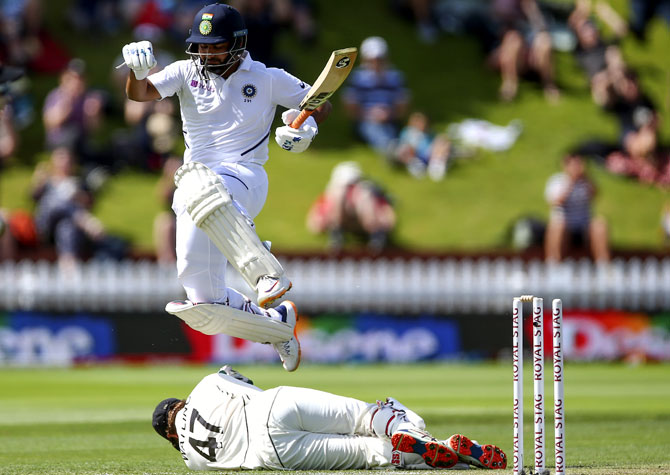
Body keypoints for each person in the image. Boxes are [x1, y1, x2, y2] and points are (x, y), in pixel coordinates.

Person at [121, 3, 331, 372]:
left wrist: (302, 127)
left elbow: (317, 103)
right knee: (201, 300)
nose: (206, 53)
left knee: (205, 183)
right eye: (201, 46)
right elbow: (141, 94)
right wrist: (138, 73)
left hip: (244, 176)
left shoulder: (267, 77)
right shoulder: (186, 71)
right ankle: (277, 328)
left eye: (215, 46)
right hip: (194, 188)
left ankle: (265, 274)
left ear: (237, 44)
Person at [152, 365, 507, 471]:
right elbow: (243, 383)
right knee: (366, 416)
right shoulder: (204, 385)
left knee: (369, 455)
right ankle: (416, 434)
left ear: (169, 438)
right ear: (179, 403)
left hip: (272, 453)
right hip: (272, 406)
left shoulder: (191, 461)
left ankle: (444, 453)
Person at [342, 36, 410, 159]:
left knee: (391, 130)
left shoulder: (395, 77)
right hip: (365, 120)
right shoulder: (357, 78)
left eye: (380, 59)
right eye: (373, 59)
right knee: (374, 129)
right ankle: (391, 151)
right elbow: (350, 107)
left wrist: (390, 114)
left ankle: (396, 151)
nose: (377, 63)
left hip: (391, 119)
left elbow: (402, 105)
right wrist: (370, 114)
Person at [306, 161, 396, 252]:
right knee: (339, 196)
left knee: (365, 197)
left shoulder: (368, 193)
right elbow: (315, 224)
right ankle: (337, 237)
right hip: (342, 223)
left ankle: (376, 239)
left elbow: (389, 218)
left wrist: (380, 226)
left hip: (367, 224)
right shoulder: (334, 195)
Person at [544, 153, 610, 263]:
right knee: (557, 226)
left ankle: (603, 263)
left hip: (584, 223)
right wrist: (570, 182)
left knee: (600, 224)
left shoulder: (586, 182)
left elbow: (595, 194)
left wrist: (586, 178)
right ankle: (554, 262)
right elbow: (556, 202)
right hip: (565, 223)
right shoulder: (557, 181)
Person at [394, 111, 450, 180]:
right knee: (404, 149)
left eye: (422, 122)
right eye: (418, 122)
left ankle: (436, 165)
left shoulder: (429, 133)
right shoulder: (407, 132)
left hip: (429, 155)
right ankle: (415, 165)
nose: (420, 125)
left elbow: (435, 142)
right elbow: (403, 145)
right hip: (415, 155)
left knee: (442, 140)